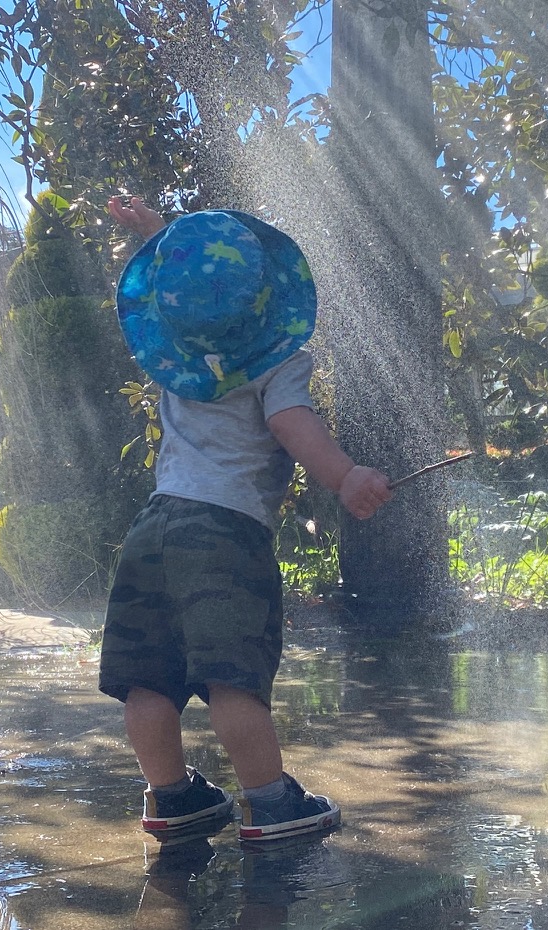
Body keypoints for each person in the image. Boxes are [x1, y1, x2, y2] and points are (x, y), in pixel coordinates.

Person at [99, 195, 393, 844]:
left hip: (154, 529)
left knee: (148, 680)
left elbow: (193, 289)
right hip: (223, 534)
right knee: (233, 678)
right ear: (267, 298)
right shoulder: (276, 359)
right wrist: (344, 476)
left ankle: (170, 796)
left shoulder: (178, 356)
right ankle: (271, 802)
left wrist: (155, 234)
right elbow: (292, 423)